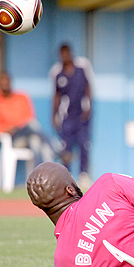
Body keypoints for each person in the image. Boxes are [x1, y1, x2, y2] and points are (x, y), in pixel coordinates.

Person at [0, 71, 57, 166]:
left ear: (10, 81)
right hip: (13, 138)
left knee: (35, 140)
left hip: (27, 132)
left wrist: (20, 125)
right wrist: (13, 128)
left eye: (6, 81)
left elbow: (30, 117)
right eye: (2, 82)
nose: (5, 84)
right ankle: (57, 150)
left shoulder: (22, 97)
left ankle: (39, 175)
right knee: (32, 125)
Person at [51, 44, 93, 190]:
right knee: (66, 147)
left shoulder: (82, 69)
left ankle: (83, 174)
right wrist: (54, 115)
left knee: (83, 145)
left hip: (81, 116)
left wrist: (89, 108)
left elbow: (88, 89)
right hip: (66, 117)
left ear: (71, 53)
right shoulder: (58, 74)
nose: (65, 56)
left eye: (66, 53)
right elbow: (56, 96)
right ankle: (66, 176)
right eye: (62, 54)